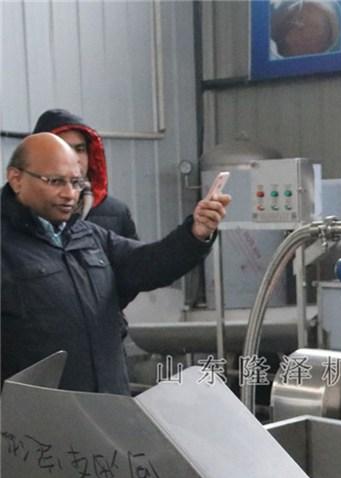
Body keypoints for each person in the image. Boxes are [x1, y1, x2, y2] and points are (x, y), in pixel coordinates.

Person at [1, 133, 230, 394]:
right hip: (39, 412)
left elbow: (151, 264)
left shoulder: (88, 236)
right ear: (16, 179)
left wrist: (196, 233)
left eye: (76, 183)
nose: (69, 194)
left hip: (108, 403)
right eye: (55, 182)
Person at [32, 109, 138, 239]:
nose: (74, 158)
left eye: (80, 149)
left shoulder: (116, 213)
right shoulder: (18, 212)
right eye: (63, 148)